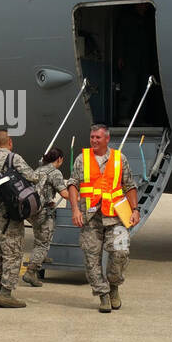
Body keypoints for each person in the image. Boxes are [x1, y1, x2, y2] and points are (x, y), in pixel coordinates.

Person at [65, 124, 140, 313]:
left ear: (107, 139)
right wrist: (75, 210)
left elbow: (129, 185)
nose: (94, 140)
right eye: (92, 137)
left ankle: (114, 286)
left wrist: (135, 209)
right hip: (91, 218)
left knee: (120, 253)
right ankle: (103, 295)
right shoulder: (82, 159)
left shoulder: (118, 158)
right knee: (91, 259)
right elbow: (73, 184)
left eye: (98, 137)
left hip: (116, 216)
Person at [0, 129, 41, 308]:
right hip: (9, 216)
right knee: (12, 253)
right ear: (10, 142)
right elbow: (33, 177)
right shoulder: (14, 159)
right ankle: (6, 292)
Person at [21, 147, 69, 288]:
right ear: (59, 159)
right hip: (44, 212)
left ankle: (38, 260)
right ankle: (31, 271)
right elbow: (65, 193)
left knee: (38, 239)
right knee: (43, 243)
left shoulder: (38, 170)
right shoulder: (55, 172)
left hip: (32, 210)